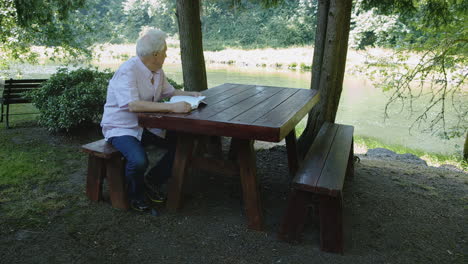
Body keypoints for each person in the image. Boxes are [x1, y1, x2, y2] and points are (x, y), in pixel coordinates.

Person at [100, 28, 201, 212]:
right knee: (139, 161)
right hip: (121, 128)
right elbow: (133, 105)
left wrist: (191, 94)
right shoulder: (128, 70)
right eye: (165, 52)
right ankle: (136, 196)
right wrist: (172, 107)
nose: (166, 55)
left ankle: (152, 180)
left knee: (181, 143)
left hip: (144, 126)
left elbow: (170, 92)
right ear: (156, 54)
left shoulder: (157, 71)